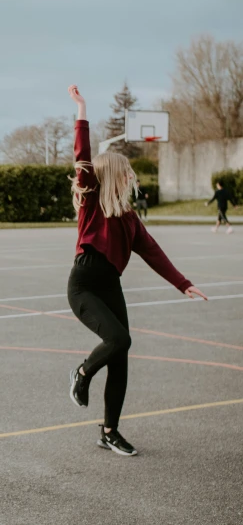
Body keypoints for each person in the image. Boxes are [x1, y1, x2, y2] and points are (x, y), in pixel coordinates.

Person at [66, 85, 207, 456]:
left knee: (121, 357)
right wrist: (82, 109)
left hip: (111, 284)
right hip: (84, 284)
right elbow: (82, 156)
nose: (132, 177)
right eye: (127, 172)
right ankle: (81, 374)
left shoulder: (129, 219)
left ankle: (109, 431)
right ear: (113, 174)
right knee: (119, 339)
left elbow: (154, 253)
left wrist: (183, 283)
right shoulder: (92, 200)